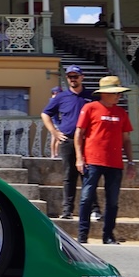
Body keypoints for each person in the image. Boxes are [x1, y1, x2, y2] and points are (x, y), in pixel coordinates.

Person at [74, 75, 135, 244]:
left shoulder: (121, 113)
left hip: (115, 163)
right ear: (105, 93)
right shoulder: (90, 108)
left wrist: (131, 162)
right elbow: (79, 133)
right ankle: (82, 235)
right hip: (92, 161)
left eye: (119, 93)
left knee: (113, 201)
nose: (118, 96)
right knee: (86, 198)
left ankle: (108, 235)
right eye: (116, 93)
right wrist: (79, 158)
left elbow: (126, 139)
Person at [41, 66, 97, 220]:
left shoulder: (91, 96)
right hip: (68, 140)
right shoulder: (61, 97)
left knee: (89, 175)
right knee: (69, 175)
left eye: (75, 76)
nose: (73, 79)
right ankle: (67, 210)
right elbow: (45, 114)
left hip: (87, 140)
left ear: (82, 77)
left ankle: (94, 210)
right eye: (70, 77)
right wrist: (54, 132)